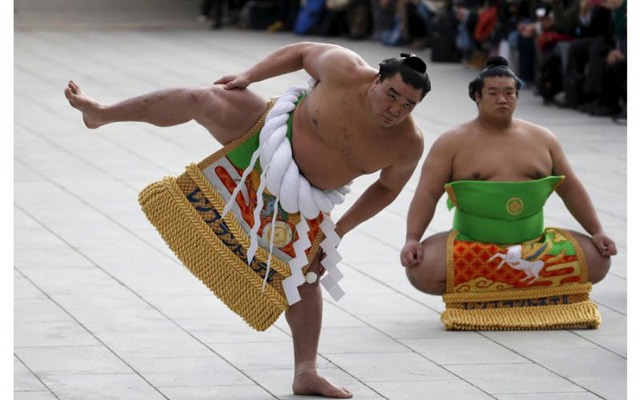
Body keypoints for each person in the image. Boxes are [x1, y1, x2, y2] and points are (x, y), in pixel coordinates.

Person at [65, 41, 431, 399]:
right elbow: (300, 53)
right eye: (392, 94)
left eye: (408, 104)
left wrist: (338, 231)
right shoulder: (343, 67)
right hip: (267, 136)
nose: (395, 108)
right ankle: (102, 113)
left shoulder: (407, 143)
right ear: (376, 80)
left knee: (305, 278)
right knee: (203, 98)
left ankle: (306, 373)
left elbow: (387, 188)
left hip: (305, 202)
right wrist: (249, 75)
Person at [400, 55, 615, 299]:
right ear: (477, 97)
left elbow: (571, 188)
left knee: (598, 260)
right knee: (422, 269)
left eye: (509, 93)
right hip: (473, 245)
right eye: (492, 93)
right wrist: (412, 239)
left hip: (534, 247)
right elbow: (427, 194)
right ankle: (522, 287)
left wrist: (597, 231)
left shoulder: (544, 139)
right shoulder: (451, 142)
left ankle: (501, 287)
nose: (502, 99)